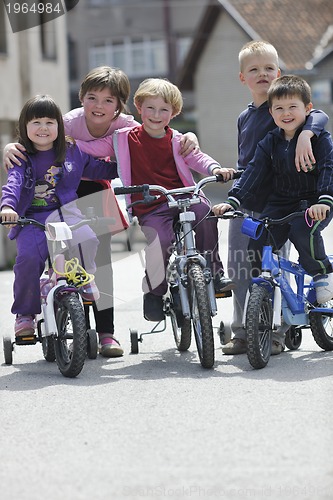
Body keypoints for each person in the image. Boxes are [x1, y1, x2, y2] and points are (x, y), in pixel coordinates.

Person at [2, 66, 199, 357]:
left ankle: (106, 333)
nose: (99, 106)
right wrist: (10, 146)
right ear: (82, 98)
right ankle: (44, 312)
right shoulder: (65, 124)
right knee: (42, 253)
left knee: (100, 258)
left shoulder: (126, 125)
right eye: (93, 98)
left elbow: (158, 130)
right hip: (57, 192)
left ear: (120, 106)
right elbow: (33, 141)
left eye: (109, 101)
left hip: (95, 187)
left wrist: (188, 136)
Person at [76, 77, 236, 321]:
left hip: (184, 197)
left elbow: (198, 158)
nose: (156, 114)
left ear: (174, 113)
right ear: (139, 108)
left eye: (164, 109)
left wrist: (215, 169)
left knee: (206, 215)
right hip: (150, 204)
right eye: (150, 108)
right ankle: (155, 291)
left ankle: (214, 274)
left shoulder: (178, 140)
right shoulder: (123, 138)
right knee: (159, 242)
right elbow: (92, 149)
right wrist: (55, 142)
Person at [222, 40, 329, 356]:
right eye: (253, 69)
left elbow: (318, 114)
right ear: (243, 78)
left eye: (269, 68)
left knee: (276, 266)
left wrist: (307, 134)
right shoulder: (245, 116)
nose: (262, 74)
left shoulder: (286, 108)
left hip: (278, 202)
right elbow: (249, 159)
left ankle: (278, 331)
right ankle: (243, 331)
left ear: (278, 72)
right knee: (242, 266)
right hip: (246, 199)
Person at [0, 94, 118, 339]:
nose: (43, 128)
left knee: (87, 238)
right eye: (36, 122)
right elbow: (13, 183)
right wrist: (8, 207)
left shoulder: (72, 150)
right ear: (24, 127)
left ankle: (83, 279)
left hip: (67, 214)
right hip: (33, 219)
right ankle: (25, 315)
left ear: (59, 126)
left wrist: (130, 167)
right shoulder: (21, 156)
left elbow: (99, 169)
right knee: (28, 259)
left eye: (49, 122)